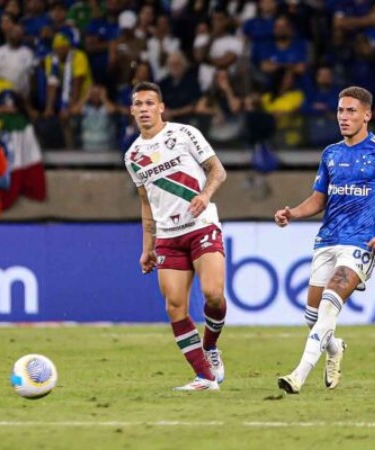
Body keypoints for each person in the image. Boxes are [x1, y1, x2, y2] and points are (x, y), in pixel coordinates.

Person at [274, 86, 375, 394]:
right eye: (340, 110)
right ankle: (335, 348)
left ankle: (297, 376)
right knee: (312, 317)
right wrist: (293, 213)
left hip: (361, 243)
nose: (344, 116)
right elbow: (318, 200)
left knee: (330, 304)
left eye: (351, 110)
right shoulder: (331, 153)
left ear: (367, 115)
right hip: (327, 240)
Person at [124, 81, 228, 391]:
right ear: (131, 110)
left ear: (161, 107)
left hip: (201, 225)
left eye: (149, 103)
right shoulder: (132, 156)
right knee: (174, 306)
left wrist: (205, 195)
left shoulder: (185, 134)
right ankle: (205, 378)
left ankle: (210, 348)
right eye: (138, 104)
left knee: (212, 293)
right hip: (168, 235)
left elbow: (217, 171)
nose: (144, 109)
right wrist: (148, 247)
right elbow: (146, 202)